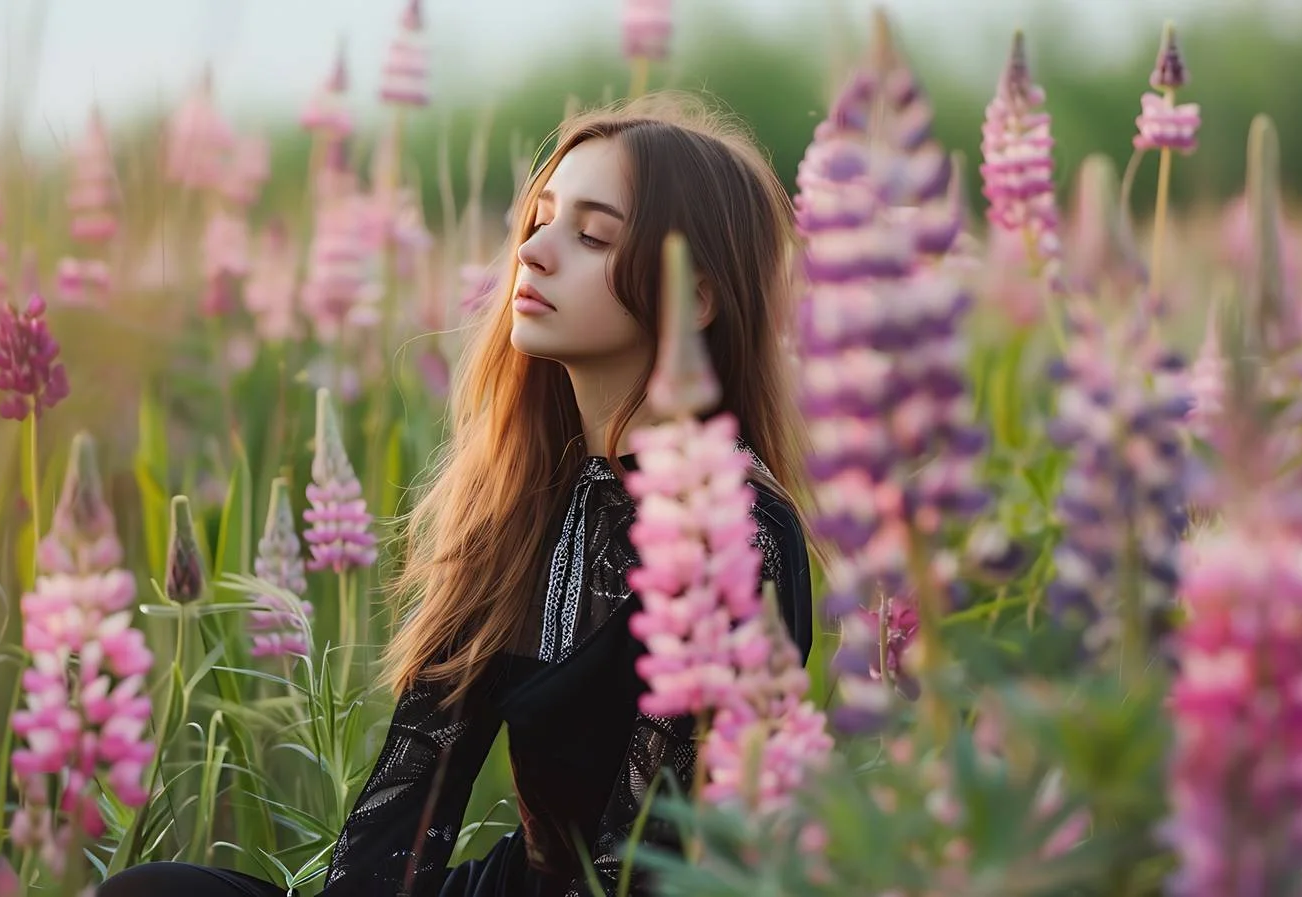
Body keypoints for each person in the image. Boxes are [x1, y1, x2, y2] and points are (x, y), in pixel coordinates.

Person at [98, 90, 816, 897]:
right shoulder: (521, 492)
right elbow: (412, 796)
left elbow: (646, 856)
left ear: (697, 298)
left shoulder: (739, 530)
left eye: (590, 236)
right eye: (540, 220)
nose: (535, 252)